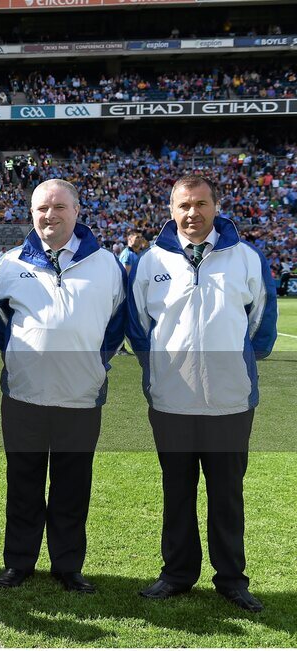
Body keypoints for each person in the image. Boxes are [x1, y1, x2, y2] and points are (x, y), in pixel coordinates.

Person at [127, 175, 277, 612]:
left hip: (230, 401)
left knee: (227, 493)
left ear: (216, 206)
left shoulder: (246, 258)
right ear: (170, 209)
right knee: (177, 492)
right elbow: (138, 328)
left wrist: (235, 362)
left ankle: (231, 578)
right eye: (183, 205)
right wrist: (160, 368)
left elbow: (261, 326)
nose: (192, 213)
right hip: (171, 402)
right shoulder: (149, 260)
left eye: (200, 204)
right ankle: (176, 574)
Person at [0, 179, 127, 593]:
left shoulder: (108, 265)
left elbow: (118, 325)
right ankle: (19, 563)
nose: (49, 215)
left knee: (72, 486)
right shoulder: (9, 264)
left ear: (77, 211)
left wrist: (95, 364)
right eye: (41, 209)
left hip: (81, 397)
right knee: (23, 483)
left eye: (58, 207)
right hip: (24, 395)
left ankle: (68, 566)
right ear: (31, 214)